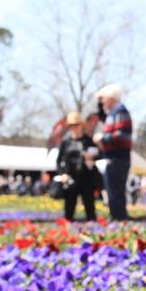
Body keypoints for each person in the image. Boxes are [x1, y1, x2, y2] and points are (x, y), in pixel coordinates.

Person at [94, 84, 132, 221]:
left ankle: (119, 219)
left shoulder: (120, 112)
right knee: (112, 192)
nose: (102, 102)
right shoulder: (112, 114)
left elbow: (123, 135)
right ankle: (116, 218)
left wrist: (103, 138)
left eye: (103, 98)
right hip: (113, 157)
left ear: (111, 98)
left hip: (118, 158)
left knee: (116, 192)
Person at [56, 111, 98, 222]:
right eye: (71, 125)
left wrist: (91, 158)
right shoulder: (66, 142)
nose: (74, 128)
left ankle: (92, 227)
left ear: (81, 125)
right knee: (69, 207)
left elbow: (98, 155)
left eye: (76, 125)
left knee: (89, 206)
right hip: (70, 178)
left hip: (86, 177)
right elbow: (59, 161)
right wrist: (62, 174)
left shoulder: (88, 140)